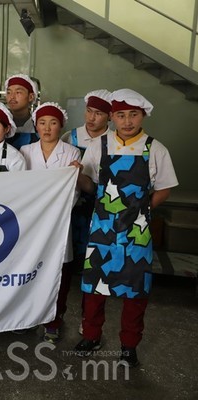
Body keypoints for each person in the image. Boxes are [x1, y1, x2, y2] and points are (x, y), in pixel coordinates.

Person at [73, 89, 178, 367]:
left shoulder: (154, 148)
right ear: (112, 117)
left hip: (137, 233)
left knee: (135, 290)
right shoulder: (100, 145)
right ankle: (91, 336)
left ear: (143, 116)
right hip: (102, 229)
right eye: (121, 115)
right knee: (94, 287)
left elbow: (164, 188)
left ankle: (129, 346)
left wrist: (142, 211)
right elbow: (90, 185)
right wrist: (77, 175)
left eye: (133, 115)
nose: (127, 121)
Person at [20, 102, 81, 343]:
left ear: (61, 126)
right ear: (35, 126)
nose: (47, 128)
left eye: (53, 123)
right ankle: (27, 317)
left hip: (59, 221)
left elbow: (73, 191)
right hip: (31, 222)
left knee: (59, 272)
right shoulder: (26, 151)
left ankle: (54, 320)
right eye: (42, 123)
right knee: (30, 269)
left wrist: (54, 210)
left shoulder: (71, 153)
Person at [61, 90, 114, 276]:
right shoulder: (70, 137)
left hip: (98, 205)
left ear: (110, 117)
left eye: (98, 113)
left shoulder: (113, 142)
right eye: (89, 111)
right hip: (70, 203)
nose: (91, 118)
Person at [4, 74, 39, 150]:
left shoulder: (39, 126)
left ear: (31, 97)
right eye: (9, 92)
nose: (12, 97)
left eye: (18, 92)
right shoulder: (0, 124)